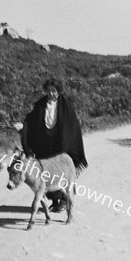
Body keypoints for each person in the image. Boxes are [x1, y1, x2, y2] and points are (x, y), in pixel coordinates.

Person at [21, 77, 88, 212]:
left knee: (61, 171)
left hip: (60, 143)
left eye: (54, 91)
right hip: (46, 143)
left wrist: (67, 145)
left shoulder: (66, 106)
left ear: (59, 91)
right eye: (49, 90)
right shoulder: (40, 104)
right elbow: (31, 119)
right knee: (47, 171)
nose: (51, 93)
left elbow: (72, 126)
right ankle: (54, 200)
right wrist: (23, 126)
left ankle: (64, 200)